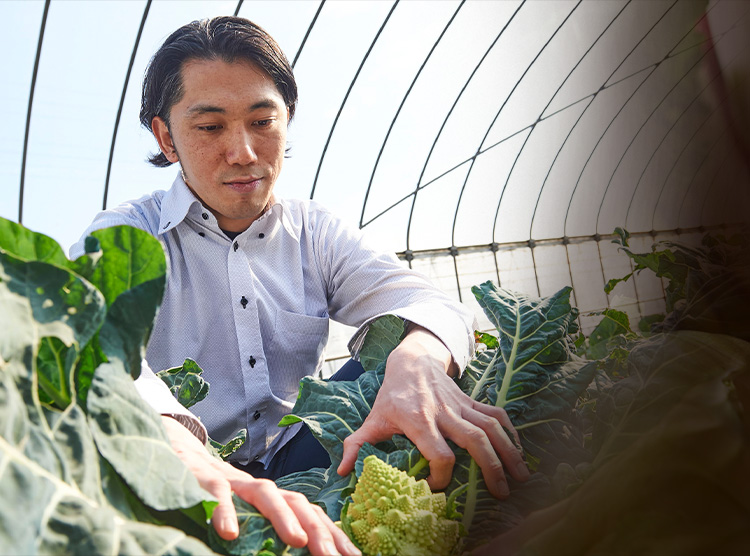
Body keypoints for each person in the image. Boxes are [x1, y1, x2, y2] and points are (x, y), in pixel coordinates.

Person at [70, 16, 529, 556]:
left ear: (288, 121)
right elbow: (91, 345)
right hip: (184, 470)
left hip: (309, 455)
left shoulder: (317, 232)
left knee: (425, 369)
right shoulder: (126, 236)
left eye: (263, 121)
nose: (243, 152)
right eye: (210, 127)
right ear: (166, 138)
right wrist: (168, 438)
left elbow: (430, 303)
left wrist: (419, 360)